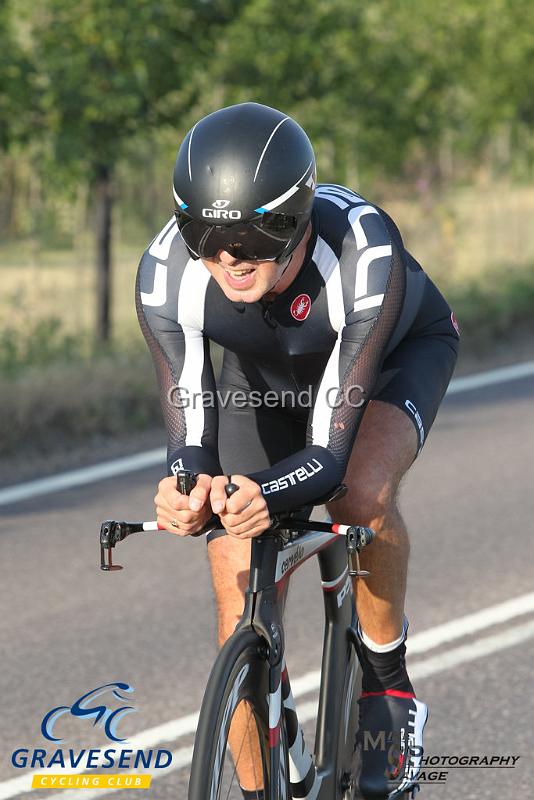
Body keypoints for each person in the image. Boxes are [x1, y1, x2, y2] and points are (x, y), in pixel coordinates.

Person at [136, 102, 459, 799]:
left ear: (297, 219)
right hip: (264, 380)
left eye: (256, 236)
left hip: (388, 361)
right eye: (208, 235)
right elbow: (189, 427)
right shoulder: (168, 270)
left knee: (358, 496)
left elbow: (331, 457)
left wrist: (267, 493)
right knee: (232, 563)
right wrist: (187, 486)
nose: (229, 258)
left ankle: (386, 686)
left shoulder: (360, 251)